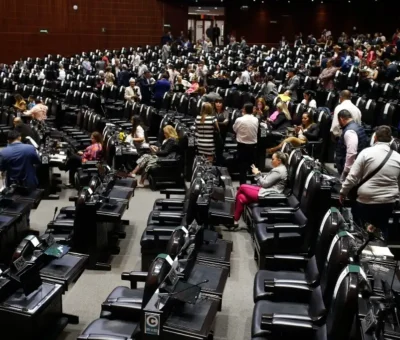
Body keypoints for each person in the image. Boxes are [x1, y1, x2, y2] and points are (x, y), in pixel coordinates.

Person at [339, 126, 400, 239]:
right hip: (388, 201)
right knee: (381, 230)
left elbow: (352, 177)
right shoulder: (398, 157)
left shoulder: (366, 153)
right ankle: (382, 251)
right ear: (391, 140)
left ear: (375, 138)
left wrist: (343, 192)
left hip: (366, 200)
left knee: (361, 231)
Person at [233, 152, 288, 227]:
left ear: (279, 160)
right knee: (241, 197)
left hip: (268, 195)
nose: (271, 161)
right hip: (265, 190)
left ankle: (232, 214)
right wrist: (259, 173)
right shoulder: (279, 169)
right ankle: (234, 221)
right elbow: (266, 181)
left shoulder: (278, 171)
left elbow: (264, 184)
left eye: (273, 159)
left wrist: (257, 174)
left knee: (242, 187)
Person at [335, 110, 368, 182]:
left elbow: (351, 153)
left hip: (352, 169)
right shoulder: (357, 126)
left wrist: (346, 171)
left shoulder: (350, 131)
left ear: (341, 119)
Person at [233, 102, 259, 185]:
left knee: (242, 167)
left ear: (244, 109)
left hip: (242, 146)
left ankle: (243, 185)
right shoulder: (256, 119)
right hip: (253, 146)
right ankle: (255, 183)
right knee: (253, 165)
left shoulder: (239, 119)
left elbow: (234, 129)